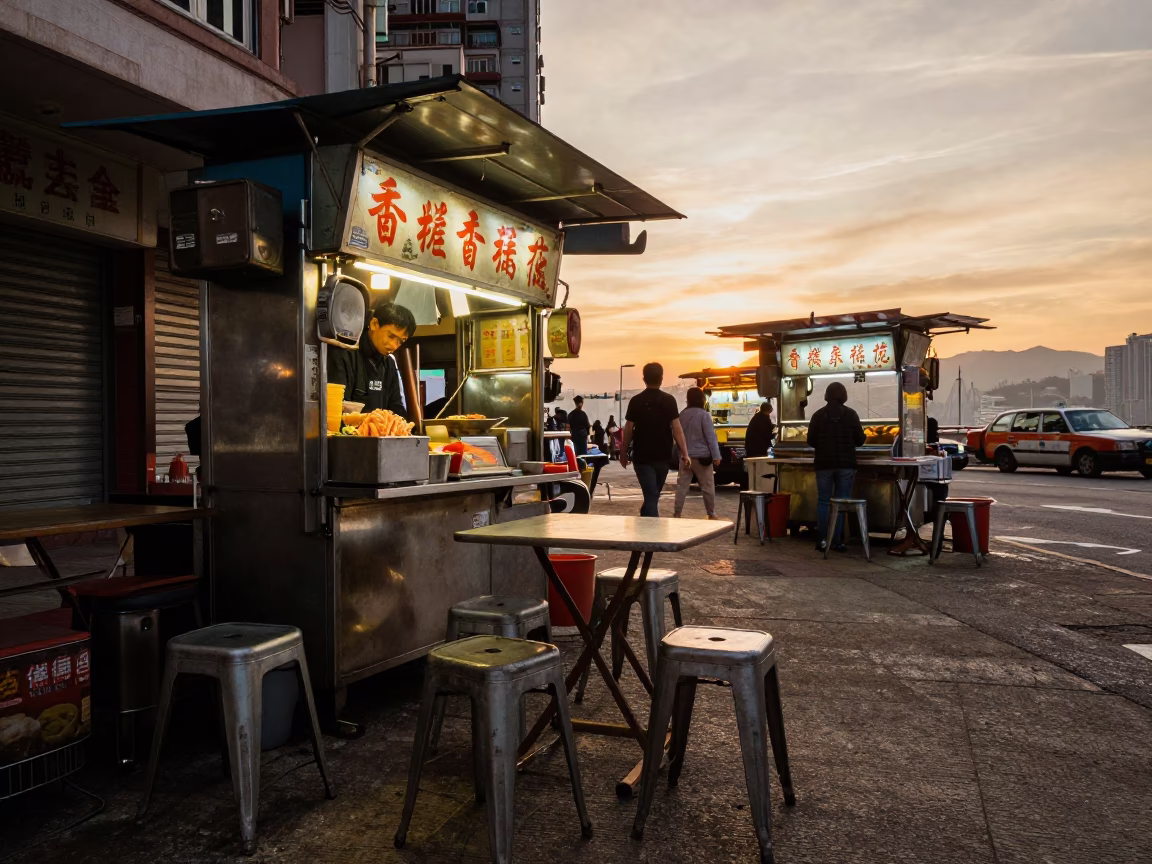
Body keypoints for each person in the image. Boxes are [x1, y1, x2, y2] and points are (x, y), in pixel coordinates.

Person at [621, 362, 691, 517]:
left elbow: (628, 429)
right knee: (653, 494)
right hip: (662, 456)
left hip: (642, 456)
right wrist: (685, 453)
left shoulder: (636, 401)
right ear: (661, 378)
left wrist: (623, 451)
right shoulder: (669, 400)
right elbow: (677, 429)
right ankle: (653, 531)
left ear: (644, 378)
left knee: (652, 494)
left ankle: (645, 518)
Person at [806, 381, 865, 552]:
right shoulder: (851, 414)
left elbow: (810, 440)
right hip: (845, 465)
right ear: (844, 396)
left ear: (827, 395)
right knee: (840, 502)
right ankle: (837, 541)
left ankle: (822, 540)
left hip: (823, 464)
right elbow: (860, 440)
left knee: (823, 501)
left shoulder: (818, 415)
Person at [327, 302, 416, 415]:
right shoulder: (344, 354)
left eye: (400, 341)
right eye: (391, 336)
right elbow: (337, 408)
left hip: (380, 432)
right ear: (374, 324)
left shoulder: (389, 363)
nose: (394, 346)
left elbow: (396, 407)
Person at [673, 387, 722, 519]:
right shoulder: (703, 415)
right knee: (707, 486)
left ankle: (677, 512)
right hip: (702, 457)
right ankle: (711, 513)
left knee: (682, 486)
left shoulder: (681, 415)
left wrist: (681, 454)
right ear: (701, 399)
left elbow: (676, 436)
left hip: (685, 457)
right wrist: (716, 456)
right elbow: (710, 437)